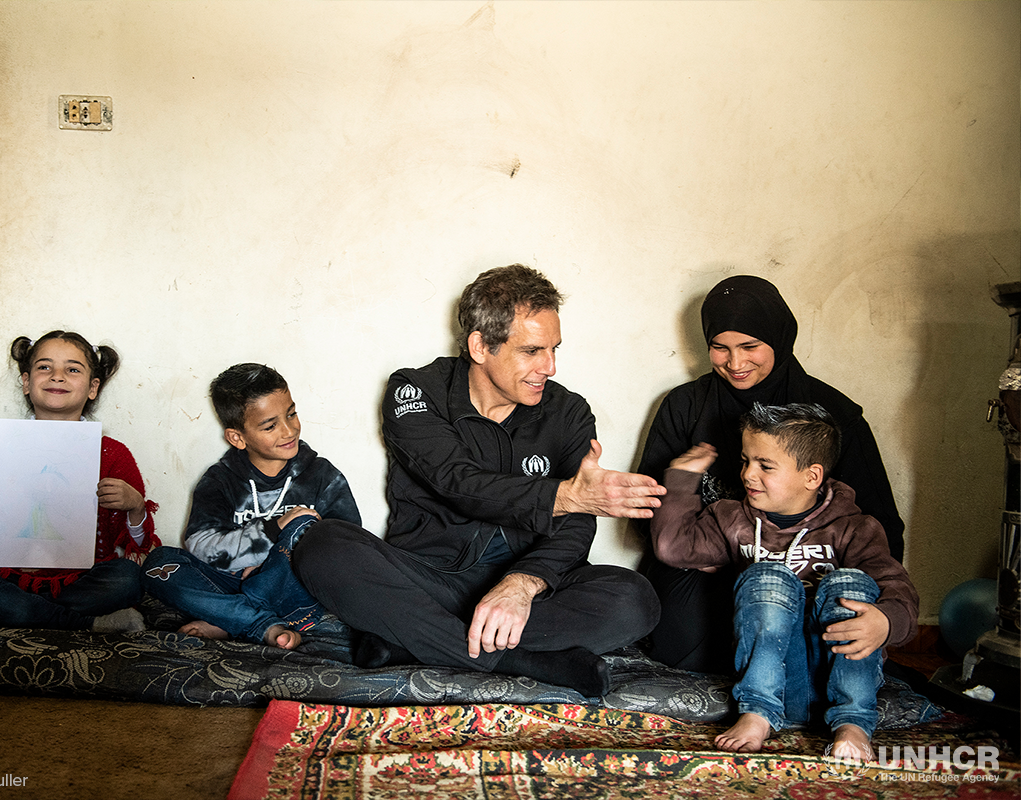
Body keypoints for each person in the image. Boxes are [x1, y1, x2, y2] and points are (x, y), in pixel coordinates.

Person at [294, 265, 664, 698]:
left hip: (526, 587)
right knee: (322, 545)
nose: (551, 366)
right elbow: (458, 481)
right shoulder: (415, 391)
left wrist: (523, 583)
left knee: (635, 599)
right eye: (532, 351)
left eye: (554, 349)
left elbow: (578, 523)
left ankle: (408, 639)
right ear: (480, 346)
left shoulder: (569, 412)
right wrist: (564, 496)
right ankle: (516, 658)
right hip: (431, 577)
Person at [638, 275, 905, 673]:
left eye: (750, 347)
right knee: (678, 650)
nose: (736, 363)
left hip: (809, 569)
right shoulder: (685, 406)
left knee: (819, 648)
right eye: (720, 347)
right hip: (711, 561)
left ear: (778, 341)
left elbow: (879, 525)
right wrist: (722, 550)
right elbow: (648, 508)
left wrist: (879, 612)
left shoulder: (831, 414)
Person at [651, 402, 917, 758]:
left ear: (812, 476)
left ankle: (853, 724)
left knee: (850, 585)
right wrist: (682, 480)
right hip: (771, 675)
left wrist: (885, 622)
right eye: (746, 460)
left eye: (765, 465)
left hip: (835, 673)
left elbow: (898, 589)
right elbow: (673, 548)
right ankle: (757, 713)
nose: (747, 474)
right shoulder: (733, 519)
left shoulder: (855, 528)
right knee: (766, 577)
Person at [0, 331, 159, 632]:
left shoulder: (112, 454)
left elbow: (134, 545)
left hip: (84, 580)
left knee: (128, 577)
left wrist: (135, 507)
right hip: (10, 577)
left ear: (92, 388)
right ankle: (87, 623)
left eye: (72, 369)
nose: (57, 376)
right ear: (25, 382)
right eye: (44, 367)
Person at [140, 363, 361, 650]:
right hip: (231, 582)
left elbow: (349, 547)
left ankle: (229, 618)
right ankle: (260, 623)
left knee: (304, 526)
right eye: (270, 425)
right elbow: (201, 545)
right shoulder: (220, 479)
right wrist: (272, 530)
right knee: (159, 564)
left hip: (291, 586)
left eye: (291, 414)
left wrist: (276, 565)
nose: (288, 430)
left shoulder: (322, 476)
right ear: (237, 437)